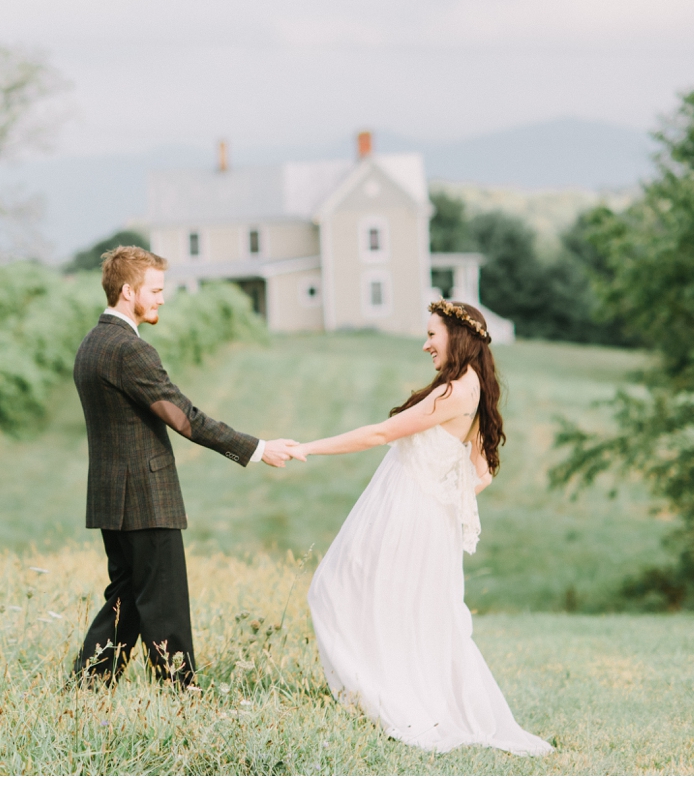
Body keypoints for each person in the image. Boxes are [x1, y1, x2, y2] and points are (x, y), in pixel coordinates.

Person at [293, 299, 552, 755]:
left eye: (432, 334)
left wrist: (308, 447)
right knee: (405, 608)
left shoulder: (454, 392)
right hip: (421, 513)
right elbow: (482, 473)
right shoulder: (470, 387)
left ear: (458, 336)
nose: (426, 344)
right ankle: (395, 692)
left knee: (336, 588)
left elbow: (379, 434)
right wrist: (444, 501)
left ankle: (388, 699)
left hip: (406, 513)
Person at [71, 245, 298, 689]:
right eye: (154, 290)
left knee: (127, 600)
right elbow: (184, 419)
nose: (160, 299)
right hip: (144, 497)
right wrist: (256, 448)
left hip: (110, 497)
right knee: (165, 604)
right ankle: (182, 697)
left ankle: (87, 688)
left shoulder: (91, 345)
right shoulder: (130, 350)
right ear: (127, 291)